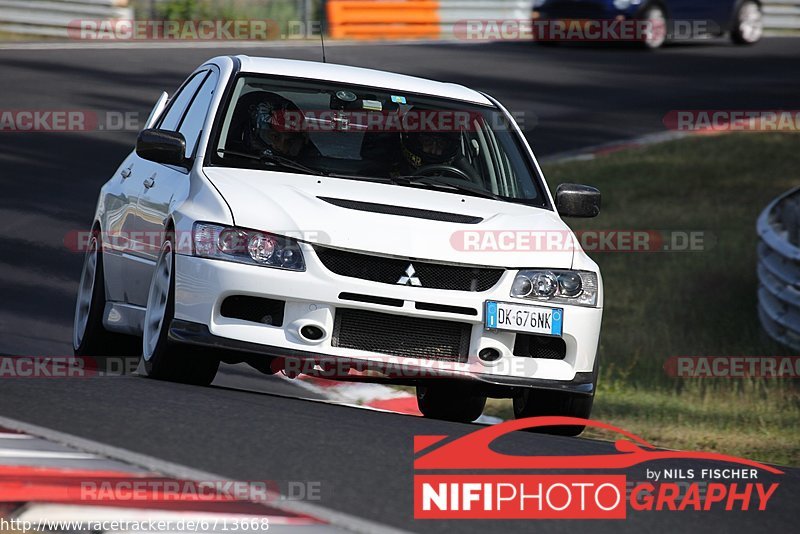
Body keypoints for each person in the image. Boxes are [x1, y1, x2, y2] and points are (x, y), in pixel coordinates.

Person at [226, 91, 320, 161]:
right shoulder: (227, 160)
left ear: (304, 139)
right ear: (255, 133)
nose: (281, 146)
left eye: (290, 141)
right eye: (274, 137)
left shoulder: (316, 166)